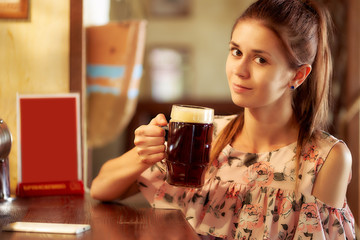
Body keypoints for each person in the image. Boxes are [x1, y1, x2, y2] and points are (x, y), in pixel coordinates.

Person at [90, 0, 356, 239]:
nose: (239, 70)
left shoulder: (325, 158)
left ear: (298, 76)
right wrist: (144, 153)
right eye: (236, 52)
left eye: (260, 59)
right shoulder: (204, 136)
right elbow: (101, 188)